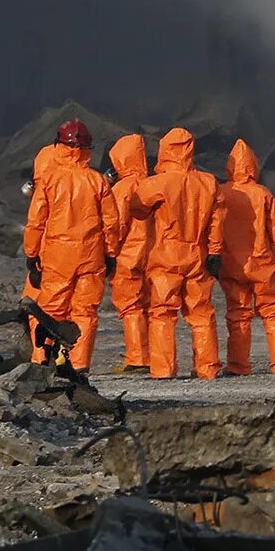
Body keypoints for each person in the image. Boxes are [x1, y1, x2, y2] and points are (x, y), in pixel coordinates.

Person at [24, 118, 120, 370]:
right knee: (85, 312)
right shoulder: (98, 181)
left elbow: (36, 221)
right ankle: (78, 366)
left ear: (59, 145)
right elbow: (111, 222)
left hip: (58, 255)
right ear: (88, 148)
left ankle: (42, 361)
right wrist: (110, 254)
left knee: (51, 309)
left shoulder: (49, 180)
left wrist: (32, 254)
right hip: (91, 255)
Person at [129, 126, 224, 380]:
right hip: (198, 255)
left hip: (166, 255)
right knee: (201, 313)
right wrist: (215, 252)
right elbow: (217, 220)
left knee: (162, 313)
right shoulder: (209, 182)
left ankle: (163, 370)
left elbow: (136, 208)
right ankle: (208, 367)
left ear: (165, 151)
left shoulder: (157, 183)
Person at [216, 139, 275, 376]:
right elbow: (274, 229)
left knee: (238, 313)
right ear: (253, 165)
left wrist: (214, 256)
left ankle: (238, 366)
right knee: (273, 312)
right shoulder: (263, 194)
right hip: (262, 262)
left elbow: (215, 227)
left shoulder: (221, 193)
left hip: (232, 264)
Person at [106, 133, 154, 375]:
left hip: (128, 254)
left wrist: (109, 253)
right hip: (154, 254)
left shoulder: (122, 189)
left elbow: (117, 225)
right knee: (150, 307)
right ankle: (156, 358)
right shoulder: (153, 184)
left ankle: (137, 359)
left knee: (130, 307)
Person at [17, 141, 63, 312]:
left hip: (46, 246)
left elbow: (35, 224)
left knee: (37, 297)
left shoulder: (45, 159)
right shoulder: (89, 181)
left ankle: (32, 328)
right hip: (68, 249)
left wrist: (31, 254)